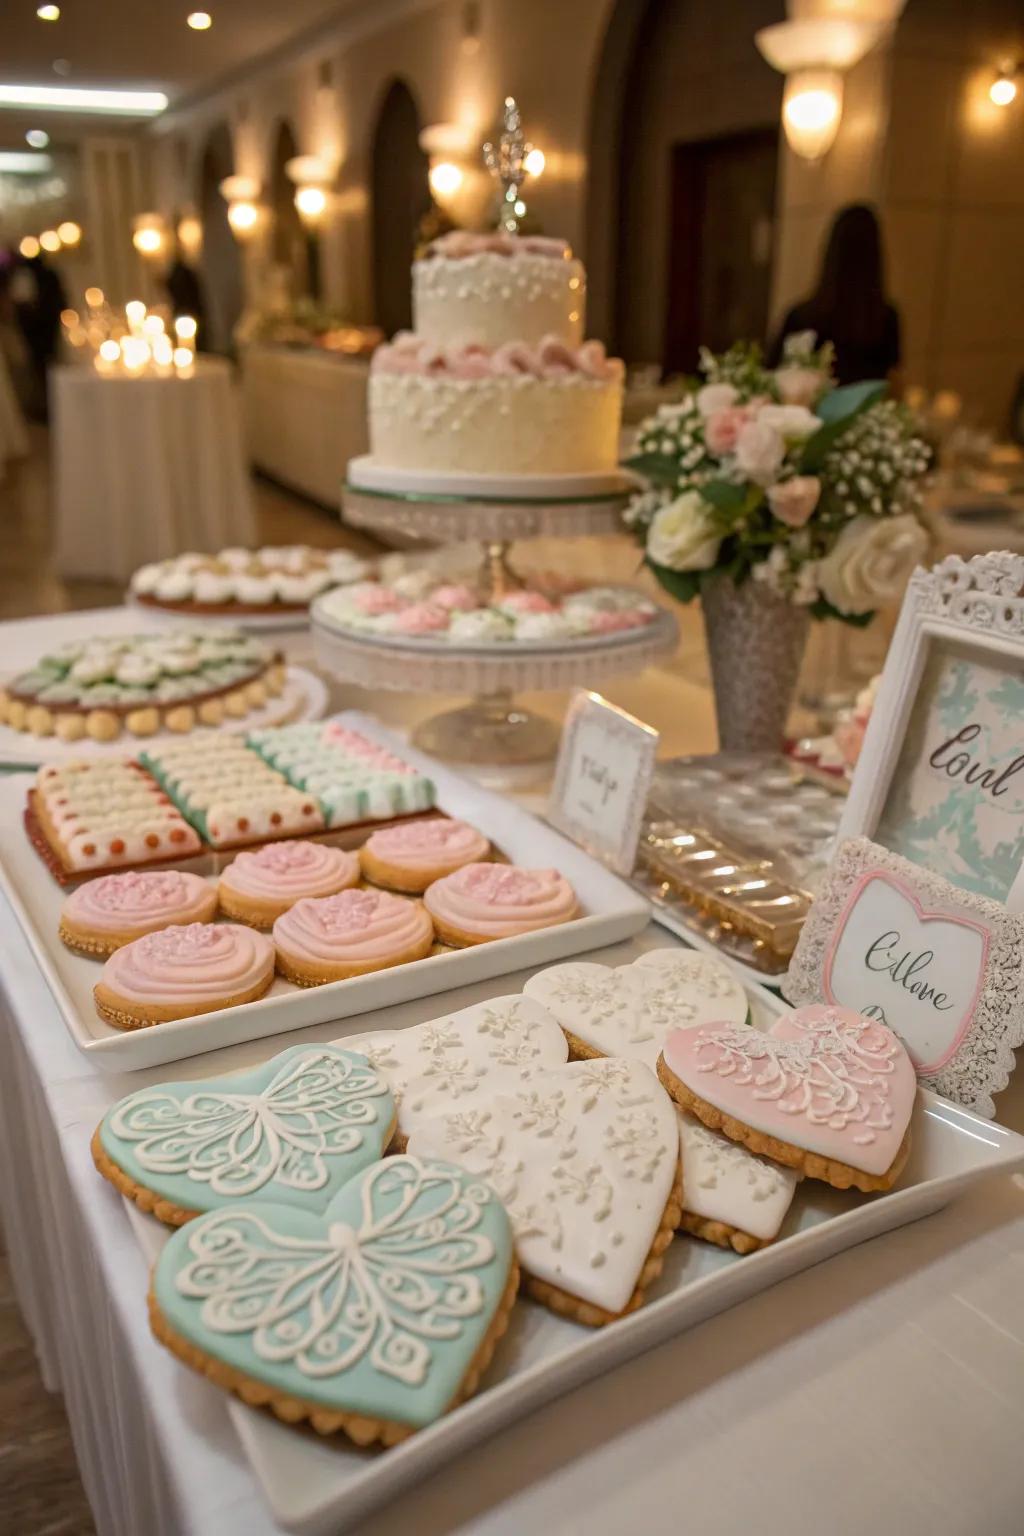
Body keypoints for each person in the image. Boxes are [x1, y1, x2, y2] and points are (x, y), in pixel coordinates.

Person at [769, 203, 901, 387]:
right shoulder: (885, 319)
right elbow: (891, 382)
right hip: (865, 415)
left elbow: (772, 375)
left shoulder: (802, 317)